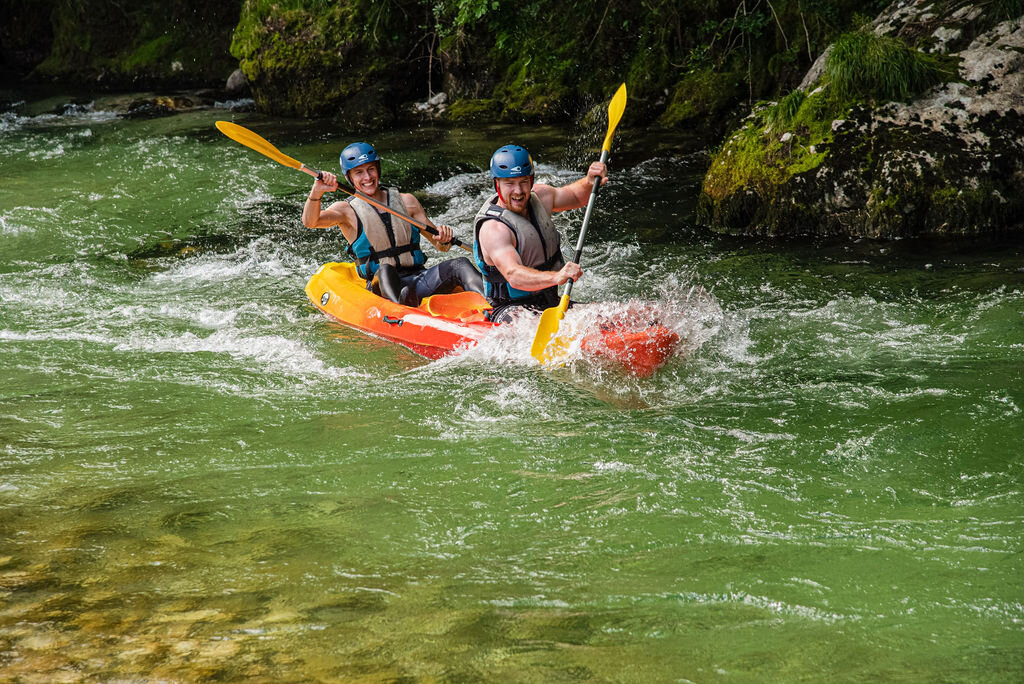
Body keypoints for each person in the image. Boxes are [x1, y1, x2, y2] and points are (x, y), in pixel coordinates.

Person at [302, 142, 483, 306]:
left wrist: (444, 237)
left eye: (371, 169)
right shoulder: (345, 210)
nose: (367, 177)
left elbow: (439, 245)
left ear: (378, 169)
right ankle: (402, 309)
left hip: (418, 278)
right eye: (359, 172)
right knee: (385, 269)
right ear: (349, 177)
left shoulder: (407, 202)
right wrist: (316, 192)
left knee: (460, 264)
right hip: (381, 286)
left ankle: (494, 306)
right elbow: (311, 222)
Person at [473, 145, 607, 323]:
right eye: (510, 184)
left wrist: (589, 181)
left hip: (549, 303)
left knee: (611, 315)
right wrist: (557, 276)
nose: (518, 191)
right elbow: (514, 276)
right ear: (496, 184)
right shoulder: (494, 228)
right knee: (539, 325)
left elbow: (576, 196)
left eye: (523, 182)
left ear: (531, 179)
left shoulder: (541, 196)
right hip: (509, 310)